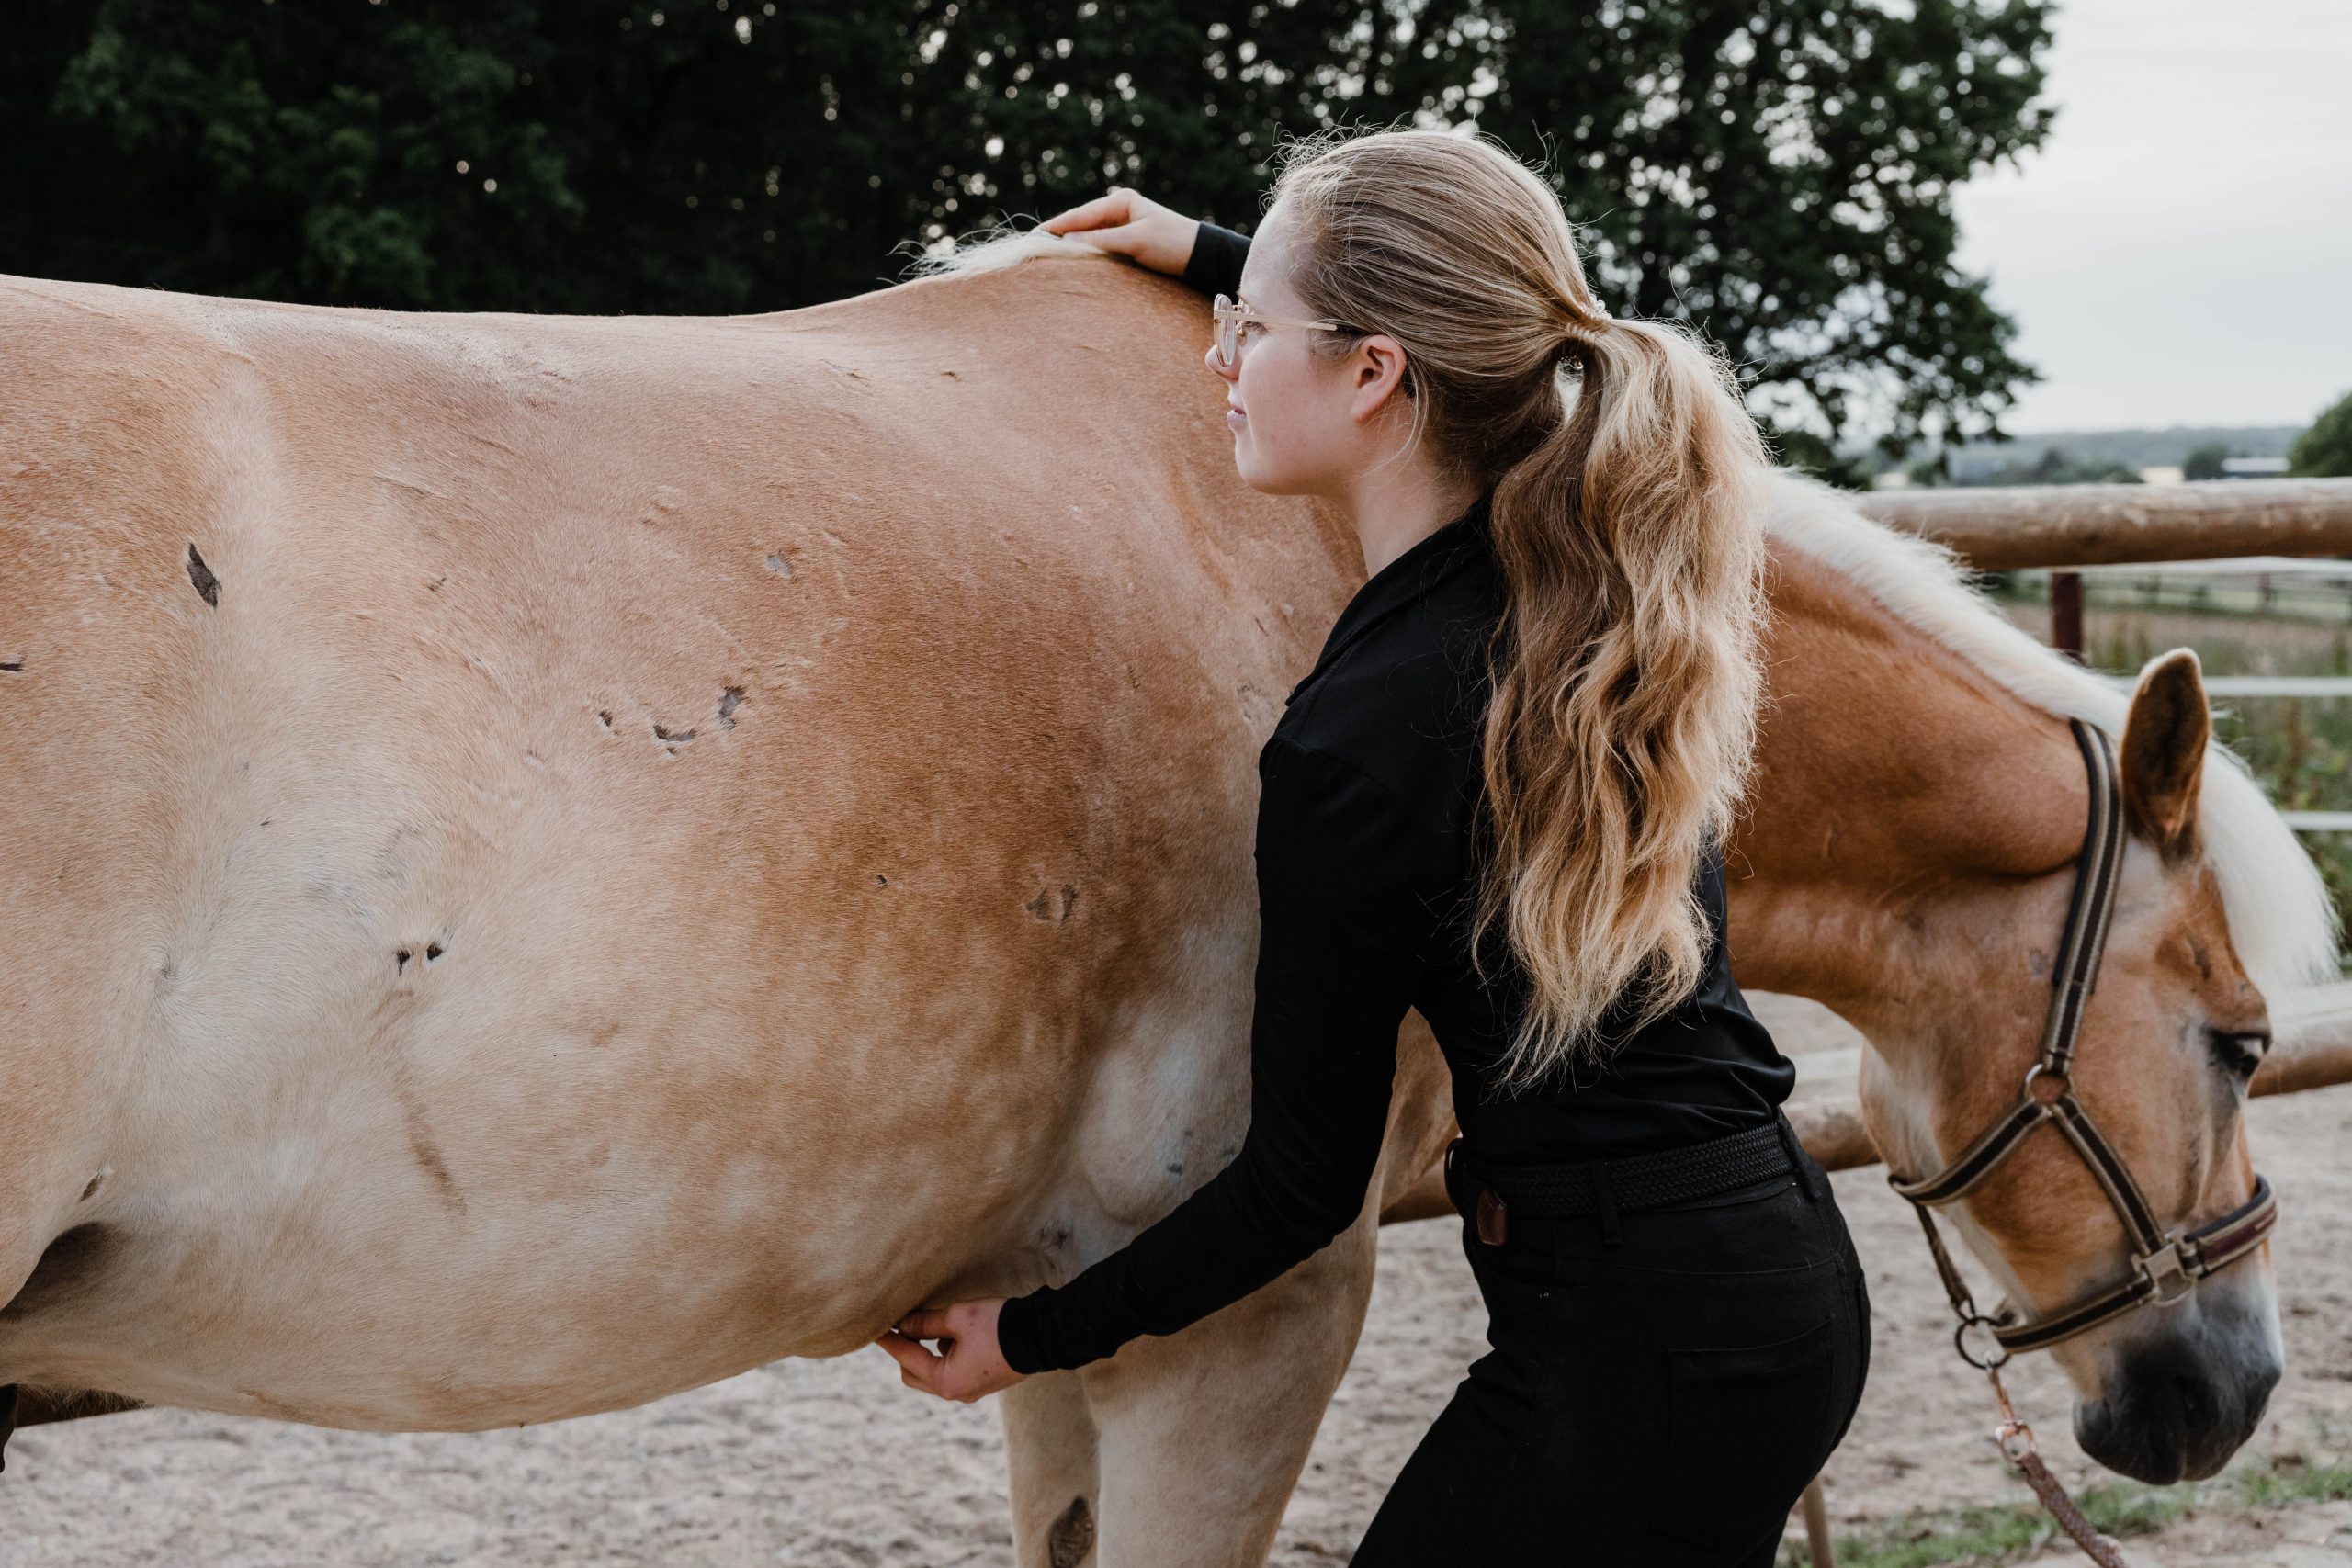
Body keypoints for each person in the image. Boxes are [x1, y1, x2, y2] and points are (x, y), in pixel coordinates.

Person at [873, 127, 1870, 1564]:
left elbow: (1297, 1186)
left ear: (1376, 373)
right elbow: (1457, 329)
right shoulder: (1574, 588)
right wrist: (1211, 254)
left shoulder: (1359, 739)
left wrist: (1030, 1337)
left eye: (1250, 330)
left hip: (1636, 1351)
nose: (1220, 357)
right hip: (1770, 1280)